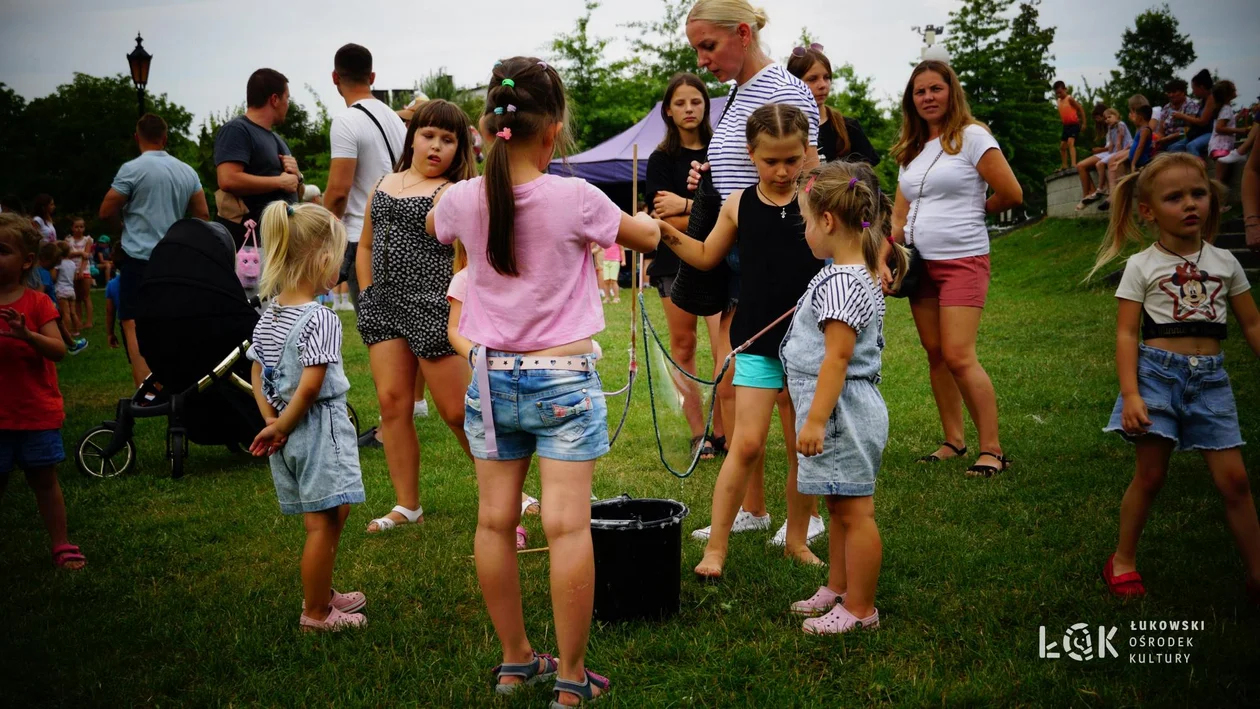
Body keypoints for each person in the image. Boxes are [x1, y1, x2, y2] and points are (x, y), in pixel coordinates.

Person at [428, 57, 659, 707]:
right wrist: (658, 220)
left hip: (490, 375)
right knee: (566, 527)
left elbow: (434, 225)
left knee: (495, 521)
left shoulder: (462, 200)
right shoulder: (577, 197)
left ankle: (513, 660)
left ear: (484, 131)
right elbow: (644, 237)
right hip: (561, 377)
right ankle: (571, 678)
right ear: (552, 132)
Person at [657, 103, 826, 577]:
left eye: (792, 159)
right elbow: (708, 255)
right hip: (755, 340)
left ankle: (797, 539)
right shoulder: (737, 204)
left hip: (809, 343)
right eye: (771, 160)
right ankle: (718, 547)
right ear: (751, 154)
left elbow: (854, 246)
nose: (782, 170)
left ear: (805, 153)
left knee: (799, 443)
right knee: (746, 444)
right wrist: (665, 234)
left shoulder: (818, 199)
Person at [684, 0, 826, 554]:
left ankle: (805, 518)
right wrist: (711, 173)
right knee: (744, 393)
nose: (702, 58)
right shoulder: (743, 91)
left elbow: (813, 176)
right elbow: (747, 171)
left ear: (743, 33)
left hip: (781, 265)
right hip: (746, 257)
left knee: (791, 396)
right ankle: (753, 507)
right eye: (697, 48)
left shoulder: (783, 91)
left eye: (709, 46)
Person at [1086, 153, 1260, 602]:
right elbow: (1126, 333)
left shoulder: (1225, 263)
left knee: (1235, 482)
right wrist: (1131, 394)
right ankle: (1122, 560)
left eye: (1198, 194)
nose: (1190, 204)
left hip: (1211, 383)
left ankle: (1257, 571)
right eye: (1175, 197)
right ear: (1148, 211)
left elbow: (1252, 325)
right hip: (1156, 378)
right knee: (1151, 475)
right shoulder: (1142, 266)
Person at [882, 59, 1022, 476]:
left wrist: (973, 211)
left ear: (951, 92)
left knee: (959, 354)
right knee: (936, 354)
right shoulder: (912, 150)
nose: (927, 97)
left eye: (935, 89)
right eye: (920, 91)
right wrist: (885, 253)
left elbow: (1011, 192)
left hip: (963, 259)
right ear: (912, 100)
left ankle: (993, 450)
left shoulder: (972, 137)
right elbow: (898, 217)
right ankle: (954, 440)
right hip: (921, 266)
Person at [785, 161, 906, 634]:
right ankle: (838, 588)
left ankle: (861, 609)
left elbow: (835, 360)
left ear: (828, 222)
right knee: (839, 504)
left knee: (855, 513)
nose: (806, 231)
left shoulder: (842, 282)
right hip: (841, 410)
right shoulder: (851, 273)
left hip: (840, 415)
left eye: (805, 220)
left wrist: (814, 421)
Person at [355, 99, 478, 534]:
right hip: (383, 307)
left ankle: (509, 493)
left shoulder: (453, 191)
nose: (436, 147)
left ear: (459, 148)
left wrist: (458, 307)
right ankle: (408, 505)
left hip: (433, 308)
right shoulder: (384, 182)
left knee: (457, 411)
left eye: (448, 140)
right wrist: (368, 293)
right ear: (413, 136)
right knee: (392, 405)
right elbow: (365, 245)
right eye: (428, 135)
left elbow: (466, 257)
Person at [246, 201, 367, 632]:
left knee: (331, 512)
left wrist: (273, 422)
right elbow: (312, 385)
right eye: (336, 259)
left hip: (287, 432)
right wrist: (283, 424)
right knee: (323, 523)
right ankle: (316, 613)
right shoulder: (320, 317)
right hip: (318, 430)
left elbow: (257, 371)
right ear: (320, 260)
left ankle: (322, 591)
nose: (339, 269)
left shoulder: (271, 312)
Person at [645, 72, 727, 459]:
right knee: (684, 345)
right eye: (680, 102)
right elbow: (662, 222)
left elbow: (732, 209)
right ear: (668, 110)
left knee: (722, 348)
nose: (689, 108)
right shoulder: (662, 159)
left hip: (719, 260)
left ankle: (724, 429)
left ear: (706, 106)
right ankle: (699, 432)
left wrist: (688, 206)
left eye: (695, 101)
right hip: (673, 263)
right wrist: (700, 216)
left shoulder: (722, 151)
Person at [0, 213, 84, 570]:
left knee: (44, 480)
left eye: (2, 251)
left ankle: (61, 543)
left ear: (27, 261)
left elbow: (59, 350)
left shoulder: (37, 303)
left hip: (35, 412)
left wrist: (27, 335)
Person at [99, 113, 207, 388]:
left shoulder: (132, 169)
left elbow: (105, 210)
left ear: (137, 138)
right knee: (172, 319)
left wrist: (121, 228)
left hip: (139, 258)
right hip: (174, 258)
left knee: (133, 321)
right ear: (165, 138)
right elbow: (203, 215)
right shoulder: (187, 171)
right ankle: (178, 379)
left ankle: (147, 385)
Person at [446, 240, 538, 550]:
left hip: (540, 382)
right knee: (498, 463)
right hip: (490, 388)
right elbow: (454, 329)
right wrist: (476, 357)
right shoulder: (465, 277)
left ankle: (565, 521)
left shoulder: (525, 270)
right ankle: (510, 524)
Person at [324, 43, 406, 314]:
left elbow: (338, 191)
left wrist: (323, 233)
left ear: (335, 77)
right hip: (401, 234)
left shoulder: (346, 121)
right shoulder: (394, 119)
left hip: (364, 239)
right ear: (372, 77)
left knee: (376, 329)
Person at [214, 68, 302, 246]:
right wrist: (280, 182)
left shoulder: (279, 140)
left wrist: (298, 177)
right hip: (249, 246)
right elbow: (227, 179)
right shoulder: (237, 130)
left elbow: (294, 189)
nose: (288, 104)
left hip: (278, 243)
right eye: (287, 98)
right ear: (274, 99)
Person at [786, 45, 880, 166]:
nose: (822, 85)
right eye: (812, 79)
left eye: (827, 77)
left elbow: (867, 177)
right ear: (793, 82)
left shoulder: (848, 127)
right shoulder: (783, 129)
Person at [37, 242, 85, 354]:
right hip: (61, 297)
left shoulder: (41, 271)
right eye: (53, 264)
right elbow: (40, 292)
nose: (53, 266)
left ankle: (70, 342)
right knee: (68, 316)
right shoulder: (45, 272)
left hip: (59, 295)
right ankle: (73, 337)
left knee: (63, 319)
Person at [1076, 107, 1126, 208]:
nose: (1097, 121)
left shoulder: (1119, 126)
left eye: (1098, 118)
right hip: (1107, 152)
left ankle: (1093, 191)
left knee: (1084, 165)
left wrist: (1100, 150)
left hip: (1110, 153)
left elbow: (1117, 146)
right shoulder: (1110, 128)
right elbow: (1110, 146)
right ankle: (1089, 194)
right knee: (1080, 166)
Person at [1167, 69, 1216, 158]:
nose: (1193, 92)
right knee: (1172, 148)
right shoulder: (1203, 101)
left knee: (1191, 146)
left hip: (1210, 133)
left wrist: (1183, 116)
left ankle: (1198, 169)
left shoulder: (1211, 99)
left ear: (1201, 87)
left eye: (1194, 89)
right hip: (1197, 133)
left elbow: (1203, 121)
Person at [1155, 78, 1198, 151]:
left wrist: (1169, 137)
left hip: (1183, 138)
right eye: (1169, 92)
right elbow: (1160, 131)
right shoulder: (1166, 108)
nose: (1171, 95)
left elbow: (1190, 129)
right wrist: (1158, 139)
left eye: (1174, 92)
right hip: (1166, 139)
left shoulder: (1190, 105)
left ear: (1183, 92)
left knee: (1174, 148)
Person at [66, 218, 94, 329]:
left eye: (81, 227)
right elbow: (68, 254)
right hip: (72, 270)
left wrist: (81, 271)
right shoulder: (68, 240)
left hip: (84, 270)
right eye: (76, 227)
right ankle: (78, 320)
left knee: (86, 296)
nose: (79, 229)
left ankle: (89, 321)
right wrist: (80, 253)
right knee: (76, 297)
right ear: (72, 228)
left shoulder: (88, 240)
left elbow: (86, 256)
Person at [1053, 80, 1084, 168]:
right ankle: (1064, 165)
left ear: (1065, 89)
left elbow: (1080, 108)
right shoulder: (1058, 101)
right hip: (1066, 126)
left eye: (1060, 92)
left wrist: (1083, 123)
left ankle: (1073, 163)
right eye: (1057, 93)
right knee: (1062, 147)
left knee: (1071, 143)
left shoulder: (1069, 99)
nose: (1059, 95)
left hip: (1074, 124)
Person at [53, 242, 80, 340]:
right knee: (73, 312)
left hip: (61, 290)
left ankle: (67, 332)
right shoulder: (72, 263)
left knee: (65, 313)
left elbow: (54, 277)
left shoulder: (58, 264)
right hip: (71, 290)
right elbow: (75, 277)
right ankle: (76, 330)